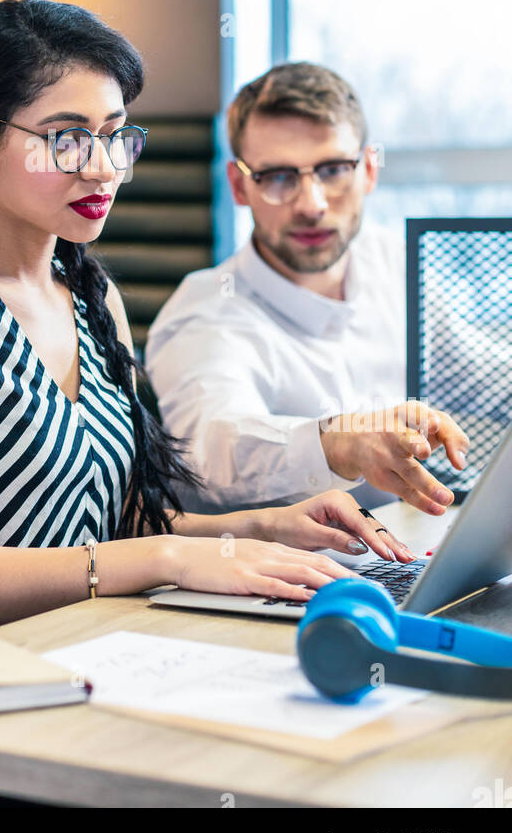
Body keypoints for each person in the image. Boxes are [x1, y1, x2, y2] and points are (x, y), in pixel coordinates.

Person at [0, 4, 412, 669]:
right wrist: (169, 556)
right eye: (67, 137)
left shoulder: (95, 299)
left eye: (116, 136)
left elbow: (117, 530)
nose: (103, 169)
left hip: (66, 649)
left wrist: (259, 527)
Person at [144, 61, 469, 516]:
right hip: (284, 574)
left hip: (416, 553)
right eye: (278, 177)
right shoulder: (205, 310)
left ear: (369, 170)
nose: (311, 205)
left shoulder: (393, 262)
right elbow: (212, 450)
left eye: (334, 169)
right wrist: (338, 442)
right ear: (239, 185)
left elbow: (473, 375)